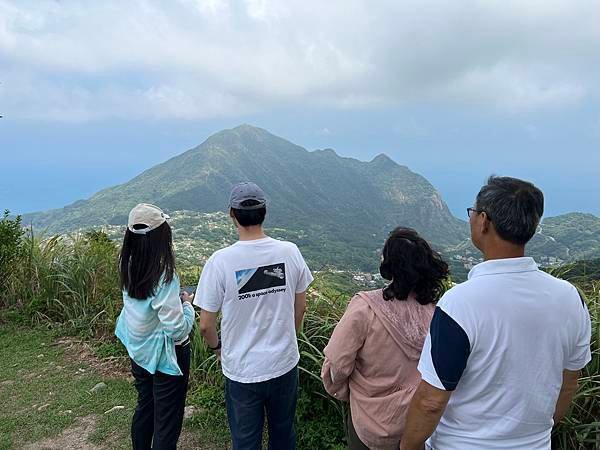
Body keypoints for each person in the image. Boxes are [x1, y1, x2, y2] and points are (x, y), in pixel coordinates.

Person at [400, 176, 593, 450]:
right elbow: (569, 383)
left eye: (473, 212)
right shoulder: (571, 298)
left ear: (484, 221)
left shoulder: (460, 303)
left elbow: (431, 401)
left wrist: (408, 446)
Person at [192, 182, 313, 450]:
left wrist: (217, 348)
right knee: (283, 433)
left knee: (246, 441)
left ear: (231, 214)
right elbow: (301, 306)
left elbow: (205, 324)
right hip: (284, 363)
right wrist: (287, 338)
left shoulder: (220, 261)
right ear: (265, 212)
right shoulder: (289, 252)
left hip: (243, 370)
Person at [322, 227, 449, 450]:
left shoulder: (366, 308)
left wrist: (346, 393)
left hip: (370, 422)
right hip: (417, 426)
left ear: (389, 265)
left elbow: (337, 364)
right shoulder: (437, 314)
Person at [115, 203, 195, 450]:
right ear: (162, 236)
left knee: (145, 407)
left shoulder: (126, 263)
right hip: (165, 356)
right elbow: (177, 330)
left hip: (138, 349)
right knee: (167, 421)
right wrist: (188, 307)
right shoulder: (163, 272)